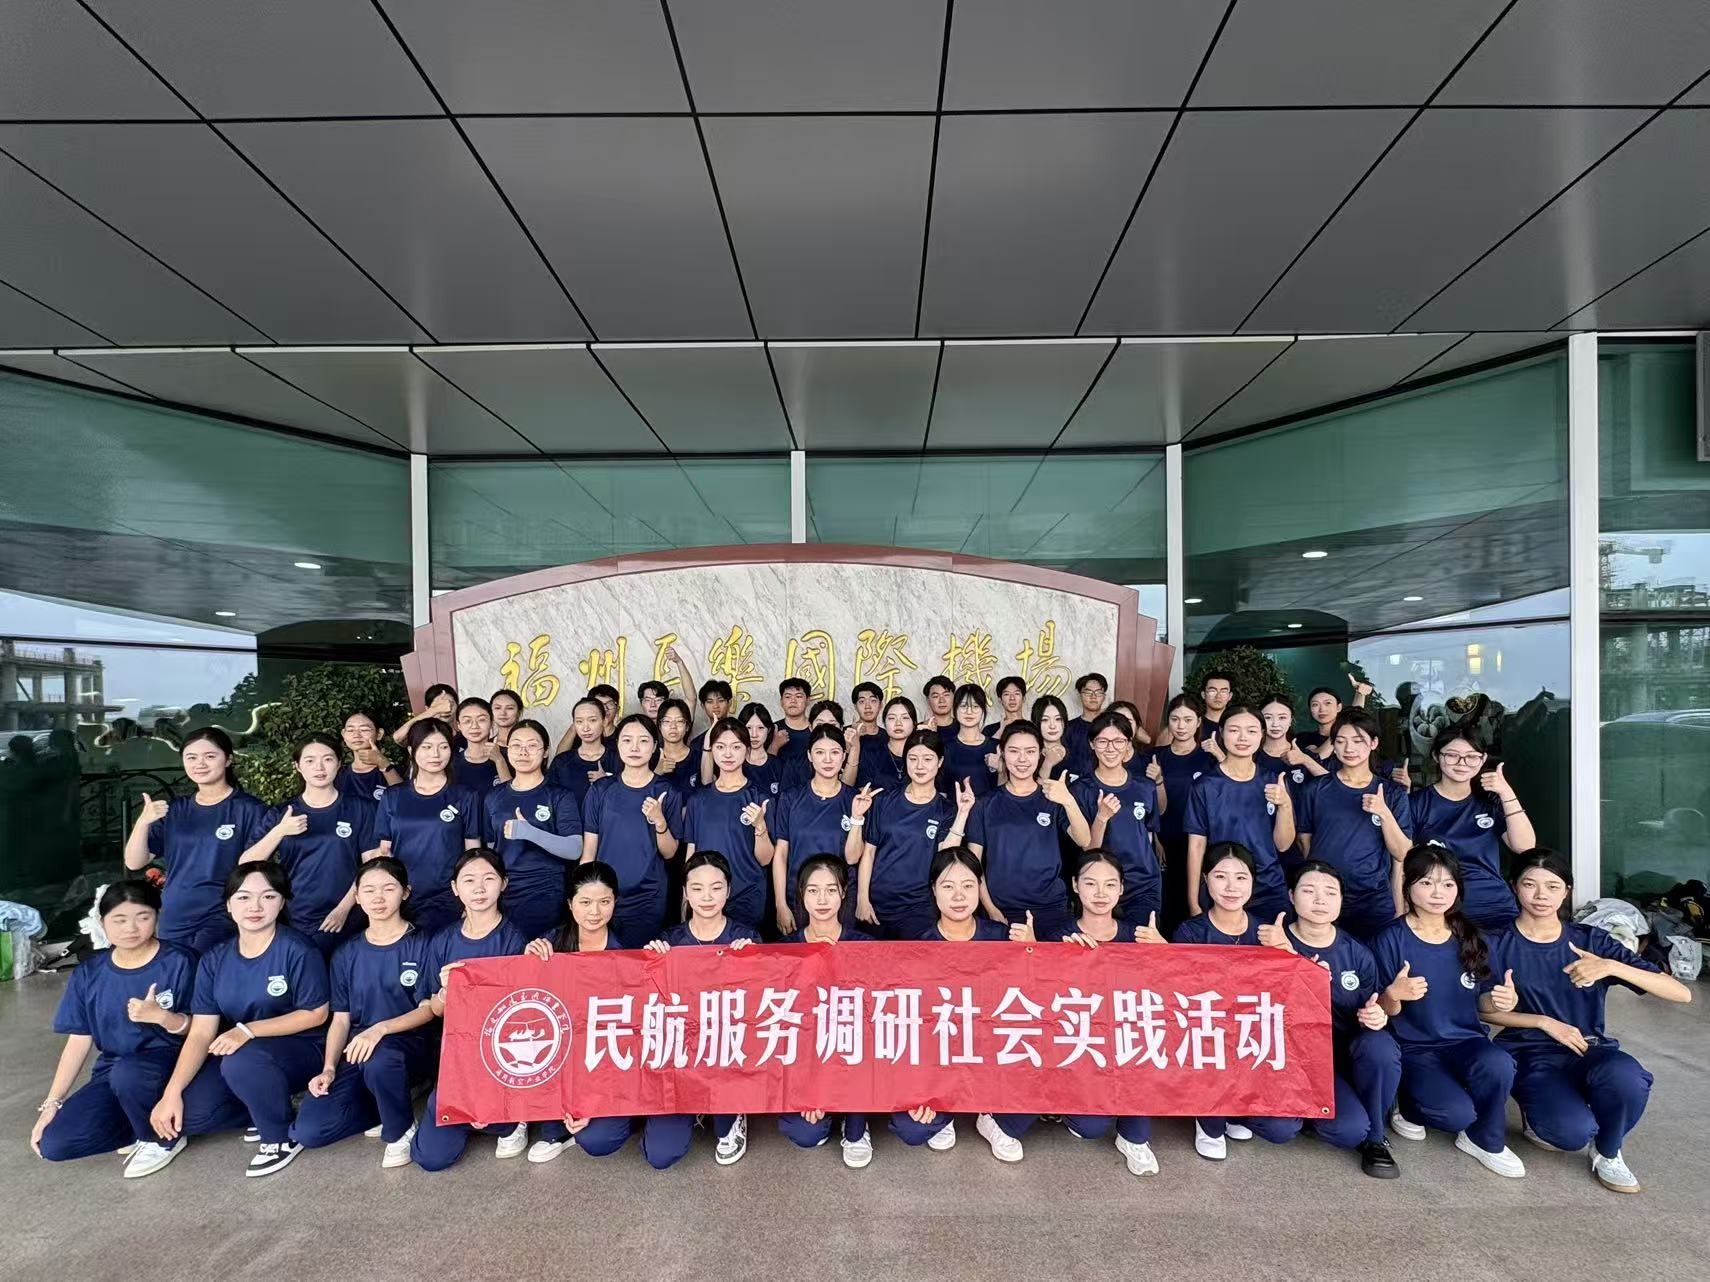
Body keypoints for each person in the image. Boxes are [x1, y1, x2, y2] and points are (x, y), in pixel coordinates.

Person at [1481, 849, 1691, 1193]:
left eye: (1552, 886)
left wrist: (1610, 966)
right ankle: (1545, 1114)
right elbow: (1482, 1010)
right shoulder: (1495, 943)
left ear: (1567, 891)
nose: (1541, 895)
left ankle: (1608, 1151)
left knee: (1628, 1077)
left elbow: (1680, 994)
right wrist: (1542, 1021)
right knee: (1570, 1133)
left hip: (1588, 1049)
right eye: (1530, 884)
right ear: (1514, 887)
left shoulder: (1590, 941)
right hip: (1529, 1054)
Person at [31, 879, 245, 1177]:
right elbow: (78, 1041)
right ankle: (139, 1123)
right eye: (119, 920)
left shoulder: (181, 961)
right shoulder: (89, 973)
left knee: (131, 1074)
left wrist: (164, 1018)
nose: (131, 928)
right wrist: (52, 1104)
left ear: (157, 917)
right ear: (102, 922)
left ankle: (160, 1139)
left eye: (142, 917)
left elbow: (205, 1029)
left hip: (174, 1060)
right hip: (116, 1070)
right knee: (55, 1143)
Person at [150, 863, 330, 1177]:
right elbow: (201, 1032)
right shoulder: (214, 959)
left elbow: (317, 1013)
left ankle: (279, 1137)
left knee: (242, 1062)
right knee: (191, 1115)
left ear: (282, 902)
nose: (255, 907)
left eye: (268, 897)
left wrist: (247, 1030)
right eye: (244, 897)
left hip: (303, 1048)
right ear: (229, 905)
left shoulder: (298, 949)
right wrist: (171, 1092)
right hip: (244, 1052)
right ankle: (261, 1107)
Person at [1373, 846, 1525, 1178]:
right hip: (1414, 1047)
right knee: (1455, 1114)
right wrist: (1393, 994)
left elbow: (1483, 1003)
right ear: (1408, 884)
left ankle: (1485, 1139)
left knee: (1498, 1063)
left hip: (1465, 1042)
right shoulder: (1389, 939)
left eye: (1447, 884)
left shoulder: (1471, 937)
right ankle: (1407, 1105)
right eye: (1426, 883)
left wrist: (1501, 1002)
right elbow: (1380, 1011)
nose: (1437, 893)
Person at [892, 846, 1035, 1160]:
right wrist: (920, 1089)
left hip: (993, 1052)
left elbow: (1032, 1001)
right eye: (948, 886)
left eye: (968, 885)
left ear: (979, 888)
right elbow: (910, 1024)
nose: (958, 896)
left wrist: (1031, 953)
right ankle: (944, 1112)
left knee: (1044, 1070)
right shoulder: (918, 946)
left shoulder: (1002, 937)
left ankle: (994, 1118)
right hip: (940, 1056)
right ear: (933, 890)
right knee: (911, 1127)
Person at [291, 858, 437, 1167]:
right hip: (360, 1048)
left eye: (388, 889)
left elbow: (429, 1010)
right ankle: (385, 1105)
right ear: (357, 897)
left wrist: (381, 1029)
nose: (378, 898)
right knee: (310, 1130)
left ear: (405, 892)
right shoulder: (346, 953)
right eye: (369, 890)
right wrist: (329, 1068)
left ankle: (399, 1130)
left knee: (381, 1058)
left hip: (411, 1045)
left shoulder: (424, 944)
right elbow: (340, 1019)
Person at [1171, 842, 1304, 1160]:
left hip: (1253, 1040)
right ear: (1205, 880)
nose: (1231, 887)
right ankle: (1208, 1118)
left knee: (1281, 1129)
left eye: (1241, 878)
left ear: (1253, 882)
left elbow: (1294, 994)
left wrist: (1287, 951)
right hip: (1209, 1040)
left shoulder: (1268, 931)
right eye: (1220, 876)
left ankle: (1235, 1112)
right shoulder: (1190, 932)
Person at [410, 849, 531, 1170]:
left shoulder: (515, 940)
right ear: (455, 888)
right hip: (458, 1058)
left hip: (502, 1056)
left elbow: (521, 1014)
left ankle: (511, 1121)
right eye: (469, 880)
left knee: (493, 1117)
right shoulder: (442, 941)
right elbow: (434, 1009)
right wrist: (446, 991)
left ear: (503, 884)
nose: (479, 889)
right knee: (431, 1157)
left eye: (488, 879)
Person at [1284, 861, 1402, 1178]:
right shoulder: (1275, 944)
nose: (1320, 900)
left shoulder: (1357, 953)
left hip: (1339, 1058)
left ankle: (1375, 1137)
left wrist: (1374, 1015)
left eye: (1330, 892)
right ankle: (1306, 1116)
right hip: (1289, 1060)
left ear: (1341, 899)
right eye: (1309, 891)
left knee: (1379, 1047)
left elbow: (1373, 1006)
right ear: (1292, 895)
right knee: (1290, 1128)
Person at [642, 852, 759, 1166]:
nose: (707, 897)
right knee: (660, 1154)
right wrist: (651, 963)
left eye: (716, 887)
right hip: (683, 1057)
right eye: (697, 888)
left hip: (728, 1053)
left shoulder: (746, 938)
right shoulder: (670, 941)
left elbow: (761, 1008)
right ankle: (694, 1104)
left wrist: (754, 963)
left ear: (728, 890)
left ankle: (734, 1110)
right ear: (684, 892)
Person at [1058, 850, 1160, 1177]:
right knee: (1090, 1126)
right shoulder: (1058, 936)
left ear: (1121, 889)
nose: (1100, 893)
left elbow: (1176, 994)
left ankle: (1134, 1138)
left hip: (1128, 1047)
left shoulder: (1140, 936)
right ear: (1075, 885)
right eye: (1090, 883)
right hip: (1080, 1048)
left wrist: (1164, 952)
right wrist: (1046, 955)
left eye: (1110, 884)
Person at [123, 727, 270, 953]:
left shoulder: (250, 809)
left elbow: (256, 866)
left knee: (205, 969)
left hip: (223, 912)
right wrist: (143, 823)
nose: (199, 764)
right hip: (175, 913)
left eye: (210, 756)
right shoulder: (175, 810)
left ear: (228, 759)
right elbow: (134, 862)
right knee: (176, 972)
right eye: (191, 757)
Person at [523, 862, 631, 1164]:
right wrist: (526, 962)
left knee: (598, 1139)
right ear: (570, 904)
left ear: (615, 901)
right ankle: (549, 1125)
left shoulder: (625, 956)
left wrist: (594, 1101)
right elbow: (525, 1006)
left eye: (604, 901)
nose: (594, 911)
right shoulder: (550, 944)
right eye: (585, 902)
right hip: (557, 1057)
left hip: (601, 1060)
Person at [777, 855, 875, 1168]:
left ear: (843, 893)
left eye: (831, 890)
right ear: (801, 894)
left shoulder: (865, 946)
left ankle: (856, 1124)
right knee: (804, 1132)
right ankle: (827, 1109)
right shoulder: (784, 949)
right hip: (808, 1058)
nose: (822, 900)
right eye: (813, 891)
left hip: (852, 1053)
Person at [239, 733, 375, 958]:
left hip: (350, 912)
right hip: (298, 915)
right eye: (310, 760)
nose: (319, 767)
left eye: (327, 759)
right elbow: (246, 863)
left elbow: (372, 866)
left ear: (339, 763)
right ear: (298, 766)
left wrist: (343, 909)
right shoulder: (283, 813)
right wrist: (280, 830)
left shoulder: (360, 808)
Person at [967, 720, 1091, 941]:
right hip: (1002, 910)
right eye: (1014, 751)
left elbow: (1084, 840)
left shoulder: (1052, 798)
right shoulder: (985, 803)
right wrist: (991, 909)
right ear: (1002, 752)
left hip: (1051, 908)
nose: (1022, 759)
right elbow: (973, 864)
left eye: (1030, 751)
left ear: (1040, 754)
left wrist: (1068, 801)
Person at [1297, 708, 1414, 939]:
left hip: (1372, 899)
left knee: (1376, 957)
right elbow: (1304, 841)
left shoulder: (1392, 793)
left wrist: (1384, 813)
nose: (1349, 748)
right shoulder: (1315, 789)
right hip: (1323, 895)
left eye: (1358, 741)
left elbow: (1402, 852)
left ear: (1373, 743)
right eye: (1341, 741)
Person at [852, 728, 973, 941]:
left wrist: (962, 814)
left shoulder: (946, 810)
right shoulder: (883, 801)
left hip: (920, 907)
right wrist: (862, 899)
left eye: (927, 759)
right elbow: (868, 853)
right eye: (913, 758)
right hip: (877, 903)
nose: (919, 766)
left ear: (939, 761)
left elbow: (945, 856)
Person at [1409, 727, 1533, 930]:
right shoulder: (1416, 804)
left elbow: (1525, 846)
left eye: (1471, 756)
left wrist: (1506, 793)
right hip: (1440, 905)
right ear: (1436, 756)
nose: (1462, 763)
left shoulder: (1490, 801)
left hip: (1495, 905)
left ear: (1482, 759)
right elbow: (1401, 861)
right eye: (1452, 755)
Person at [1182, 705, 1293, 922]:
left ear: (1262, 734)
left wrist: (1285, 805)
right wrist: (1193, 901)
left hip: (1268, 887)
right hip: (1222, 888)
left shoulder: (1273, 781)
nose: (1243, 738)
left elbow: (1283, 845)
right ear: (1221, 733)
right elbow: (1196, 846)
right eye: (1234, 730)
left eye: (1251, 731)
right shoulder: (1205, 786)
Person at [583, 713, 683, 947]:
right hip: (603, 895)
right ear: (617, 745)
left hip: (647, 896)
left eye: (643, 741)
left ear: (655, 746)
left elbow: (670, 852)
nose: (635, 747)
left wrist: (659, 821)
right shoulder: (601, 790)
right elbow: (589, 851)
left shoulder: (667, 791)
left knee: (641, 961)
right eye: (627, 740)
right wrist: (584, 895)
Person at [372, 719, 480, 934]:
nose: (435, 754)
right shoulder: (393, 796)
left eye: (443, 747)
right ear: (411, 751)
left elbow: (473, 852)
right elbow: (384, 850)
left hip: (449, 897)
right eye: (427, 747)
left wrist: (470, 900)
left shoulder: (465, 796)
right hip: (403, 896)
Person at [484, 719, 583, 939]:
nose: (523, 752)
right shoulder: (494, 797)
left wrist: (530, 832)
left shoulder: (559, 795)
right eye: (516, 745)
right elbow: (490, 849)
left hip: (546, 892)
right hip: (504, 893)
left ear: (545, 751)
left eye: (532, 745)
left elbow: (575, 848)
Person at [1072, 710, 1163, 925]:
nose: (1111, 748)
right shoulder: (1079, 790)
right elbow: (1089, 850)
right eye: (1102, 741)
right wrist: (1101, 817)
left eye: (1119, 741)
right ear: (1092, 744)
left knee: (1142, 941)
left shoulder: (1145, 787)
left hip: (1143, 886)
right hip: (1098, 888)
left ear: (1128, 744)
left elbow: (1149, 836)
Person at [681, 719, 775, 929]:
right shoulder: (698, 800)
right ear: (712, 750)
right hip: (706, 897)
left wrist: (760, 826)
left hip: (747, 896)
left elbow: (766, 858)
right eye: (721, 747)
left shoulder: (760, 798)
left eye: (736, 747)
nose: (728, 754)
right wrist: (685, 900)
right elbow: (691, 853)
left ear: (747, 750)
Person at [770, 725, 856, 935]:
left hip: (841, 898)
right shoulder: (790, 798)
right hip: (799, 896)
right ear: (809, 755)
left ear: (844, 756)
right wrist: (780, 904)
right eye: (820, 752)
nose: (827, 759)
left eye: (834, 752)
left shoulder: (855, 800)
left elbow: (855, 857)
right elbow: (781, 854)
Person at [1151, 694, 1217, 937]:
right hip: (1165, 842)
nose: (1181, 726)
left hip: (1200, 843)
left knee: (1198, 904)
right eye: (1175, 719)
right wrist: (1155, 838)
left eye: (1188, 720)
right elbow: (1147, 805)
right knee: (1167, 904)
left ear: (1198, 722)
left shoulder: (1208, 758)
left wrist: (1220, 755)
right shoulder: (1156, 757)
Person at [548, 696, 619, 805]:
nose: (586, 728)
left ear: (604, 721)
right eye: (579, 721)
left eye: (592, 720)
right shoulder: (562, 762)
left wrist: (607, 782)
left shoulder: (617, 760)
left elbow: (627, 798)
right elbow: (549, 798)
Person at [939, 684, 998, 799]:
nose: (969, 712)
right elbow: (941, 791)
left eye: (975, 706)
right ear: (954, 710)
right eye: (963, 706)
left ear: (983, 710)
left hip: (991, 809)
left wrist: (1001, 768)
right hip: (955, 809)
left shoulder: (996, 747)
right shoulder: (945, 747)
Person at [848, 696, 917, 791]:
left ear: (914, 723)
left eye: (905, 718)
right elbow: (864, 791)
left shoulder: (922, 755)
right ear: (884, 723)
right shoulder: (871, 753)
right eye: (892, 718)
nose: (898, 723)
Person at [778, 699, 844, 793]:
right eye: (820, 724)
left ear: (841, 728)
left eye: (832, 724)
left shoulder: (848, 759)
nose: (825, 729)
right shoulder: (794, 763)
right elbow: (785, 796)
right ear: (810, 727)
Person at [334, 710, 400, 803]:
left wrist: (383, 764)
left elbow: (403, 799)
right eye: (350, 730)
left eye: (364, 730)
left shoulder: (395, 772)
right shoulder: (337, 775)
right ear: (343, 734)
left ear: (379, 734)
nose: (356, 735)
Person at [1063, 672, 1108, 776]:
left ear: (1104, 697)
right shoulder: (1068, 727)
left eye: (1098, 692)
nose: (1093, 696)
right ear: (1080, 695)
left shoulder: (1111, 725)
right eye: (1088, 692)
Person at [653, 697, 700, 794]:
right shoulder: (651, 757)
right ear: (659, 726)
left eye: (679, 721)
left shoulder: (699, 757)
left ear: (687, 726)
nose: (673, 726)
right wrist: (657, 772)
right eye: (667, 721)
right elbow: (641, 795)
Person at [1030, 695, 1078, 782]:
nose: (1052, 726)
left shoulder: (1076, 752)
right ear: (1036, 722)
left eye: (1058, 719)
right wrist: (1047, 764)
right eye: (1045, 720)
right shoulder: (1029, 755)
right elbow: (1030, 790)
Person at [775, 677, 814, 760]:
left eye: (798, 696)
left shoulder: (816, 729)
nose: (793, 700)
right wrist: (774, 746)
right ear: (781, 701)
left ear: (808, 700)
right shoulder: (773, 730)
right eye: (788, 697)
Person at [489, 689, 524, 761]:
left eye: (509, 708)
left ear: (519, 712)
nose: (503, 713)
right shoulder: (486, 745)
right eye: (497, 708)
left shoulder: (528, 745)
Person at [1199, 671, 1233, 742]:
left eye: (1223, 692)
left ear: (1230, 696)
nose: (1218, 696)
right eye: (1212, 691)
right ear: (1203, 694)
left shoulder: (1236, 724)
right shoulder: (1195, 725)